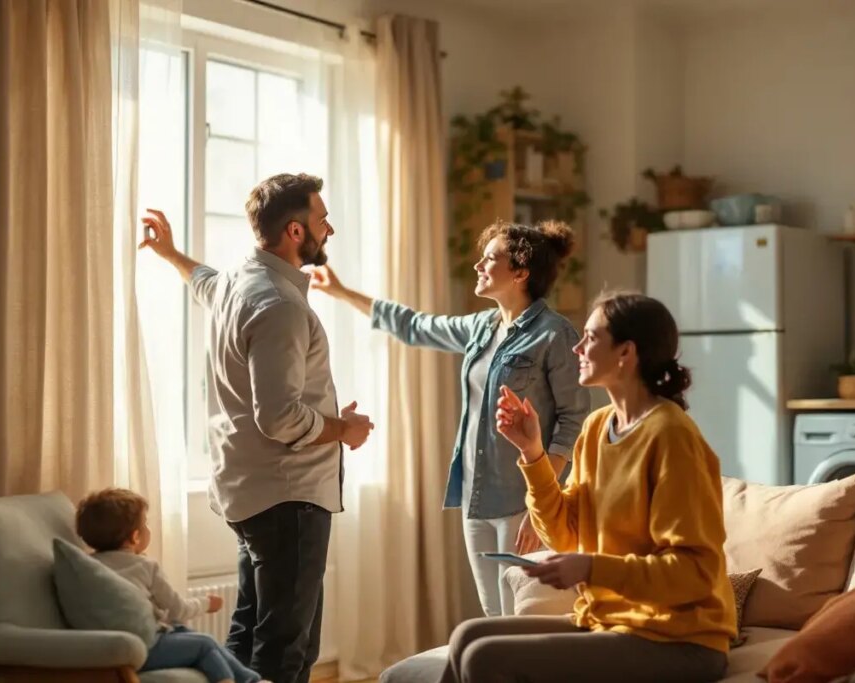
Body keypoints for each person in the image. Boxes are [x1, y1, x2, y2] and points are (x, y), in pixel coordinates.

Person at [140, 173, 375, 683]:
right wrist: (344, 429)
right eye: (322, 220)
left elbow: (202, 281)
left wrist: (172, 255)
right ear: (295, 231)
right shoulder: (281, 305)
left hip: (250, 492)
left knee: (249, 632)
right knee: (287, 646)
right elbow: (280, 417)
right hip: (288, 497)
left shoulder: (236, 282)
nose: (329, 229)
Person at [440, 292, 736, 683]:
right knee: (467, 636)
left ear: (626, 352)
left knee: (485, 658)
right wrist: (532, 452)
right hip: (609, 621)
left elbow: (693, 572)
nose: (577, 347)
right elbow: (565, 534)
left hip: (680, 639)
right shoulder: (597, 427)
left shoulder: (671, 436)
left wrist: (592, 567)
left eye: (591, 338)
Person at [308, 219, 589, 616]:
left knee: (523, 618)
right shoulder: (482, 327)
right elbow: (413, 325)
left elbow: (574, 422)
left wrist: (542, 505)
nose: (478, 265)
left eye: (489, 258)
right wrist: (340, 291)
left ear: (520, 272)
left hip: (523, 503)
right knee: (494, 616)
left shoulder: (554, 334)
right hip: (477, 497)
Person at [76, 488, 264, 683]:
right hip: (144, 650)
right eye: (145, 523)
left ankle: (252, 680)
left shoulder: (88, 567)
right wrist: (207, 603)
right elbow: (178, 610)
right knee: (205, 644)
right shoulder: (145, 566)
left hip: (107, 651)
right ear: (135, 537)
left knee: (184, 632)